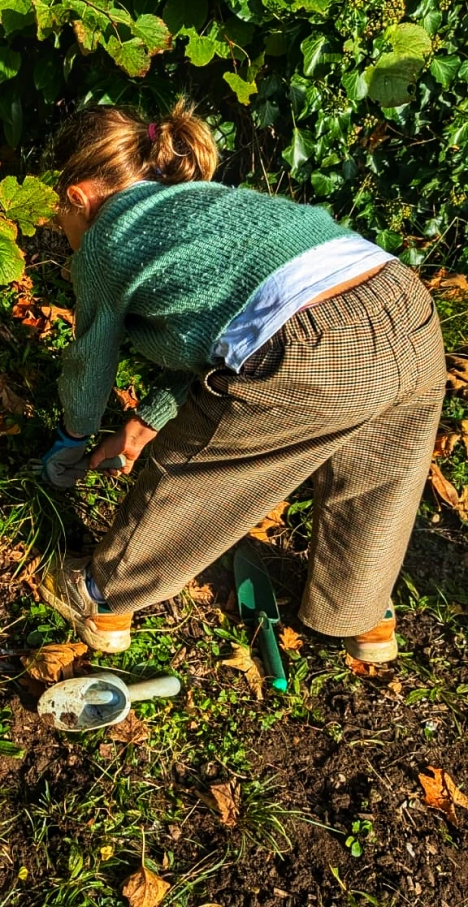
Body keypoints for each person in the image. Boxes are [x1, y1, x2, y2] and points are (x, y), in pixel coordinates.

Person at [38, 101, 446, 662]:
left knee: (193, 471)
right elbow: (218, 346)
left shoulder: (108, 238)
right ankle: (365, 618)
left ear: (79, 197)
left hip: (314, 347)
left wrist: (73, 434)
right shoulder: (201, 204)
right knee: (379, 478)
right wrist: (144, 421)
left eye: (59, 214)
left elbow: (90, 363)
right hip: (405, 305)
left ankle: (103, 595)